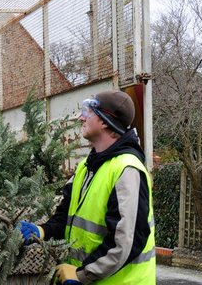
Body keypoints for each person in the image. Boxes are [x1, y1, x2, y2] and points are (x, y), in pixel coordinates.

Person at [18, 90, 155, 284]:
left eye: (87, 112)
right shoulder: (86, 166)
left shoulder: (127, 169)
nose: (80, 117)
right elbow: (66, 215)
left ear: (105, 121)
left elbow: (127, 241)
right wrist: (42, 231)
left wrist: (82, 274)